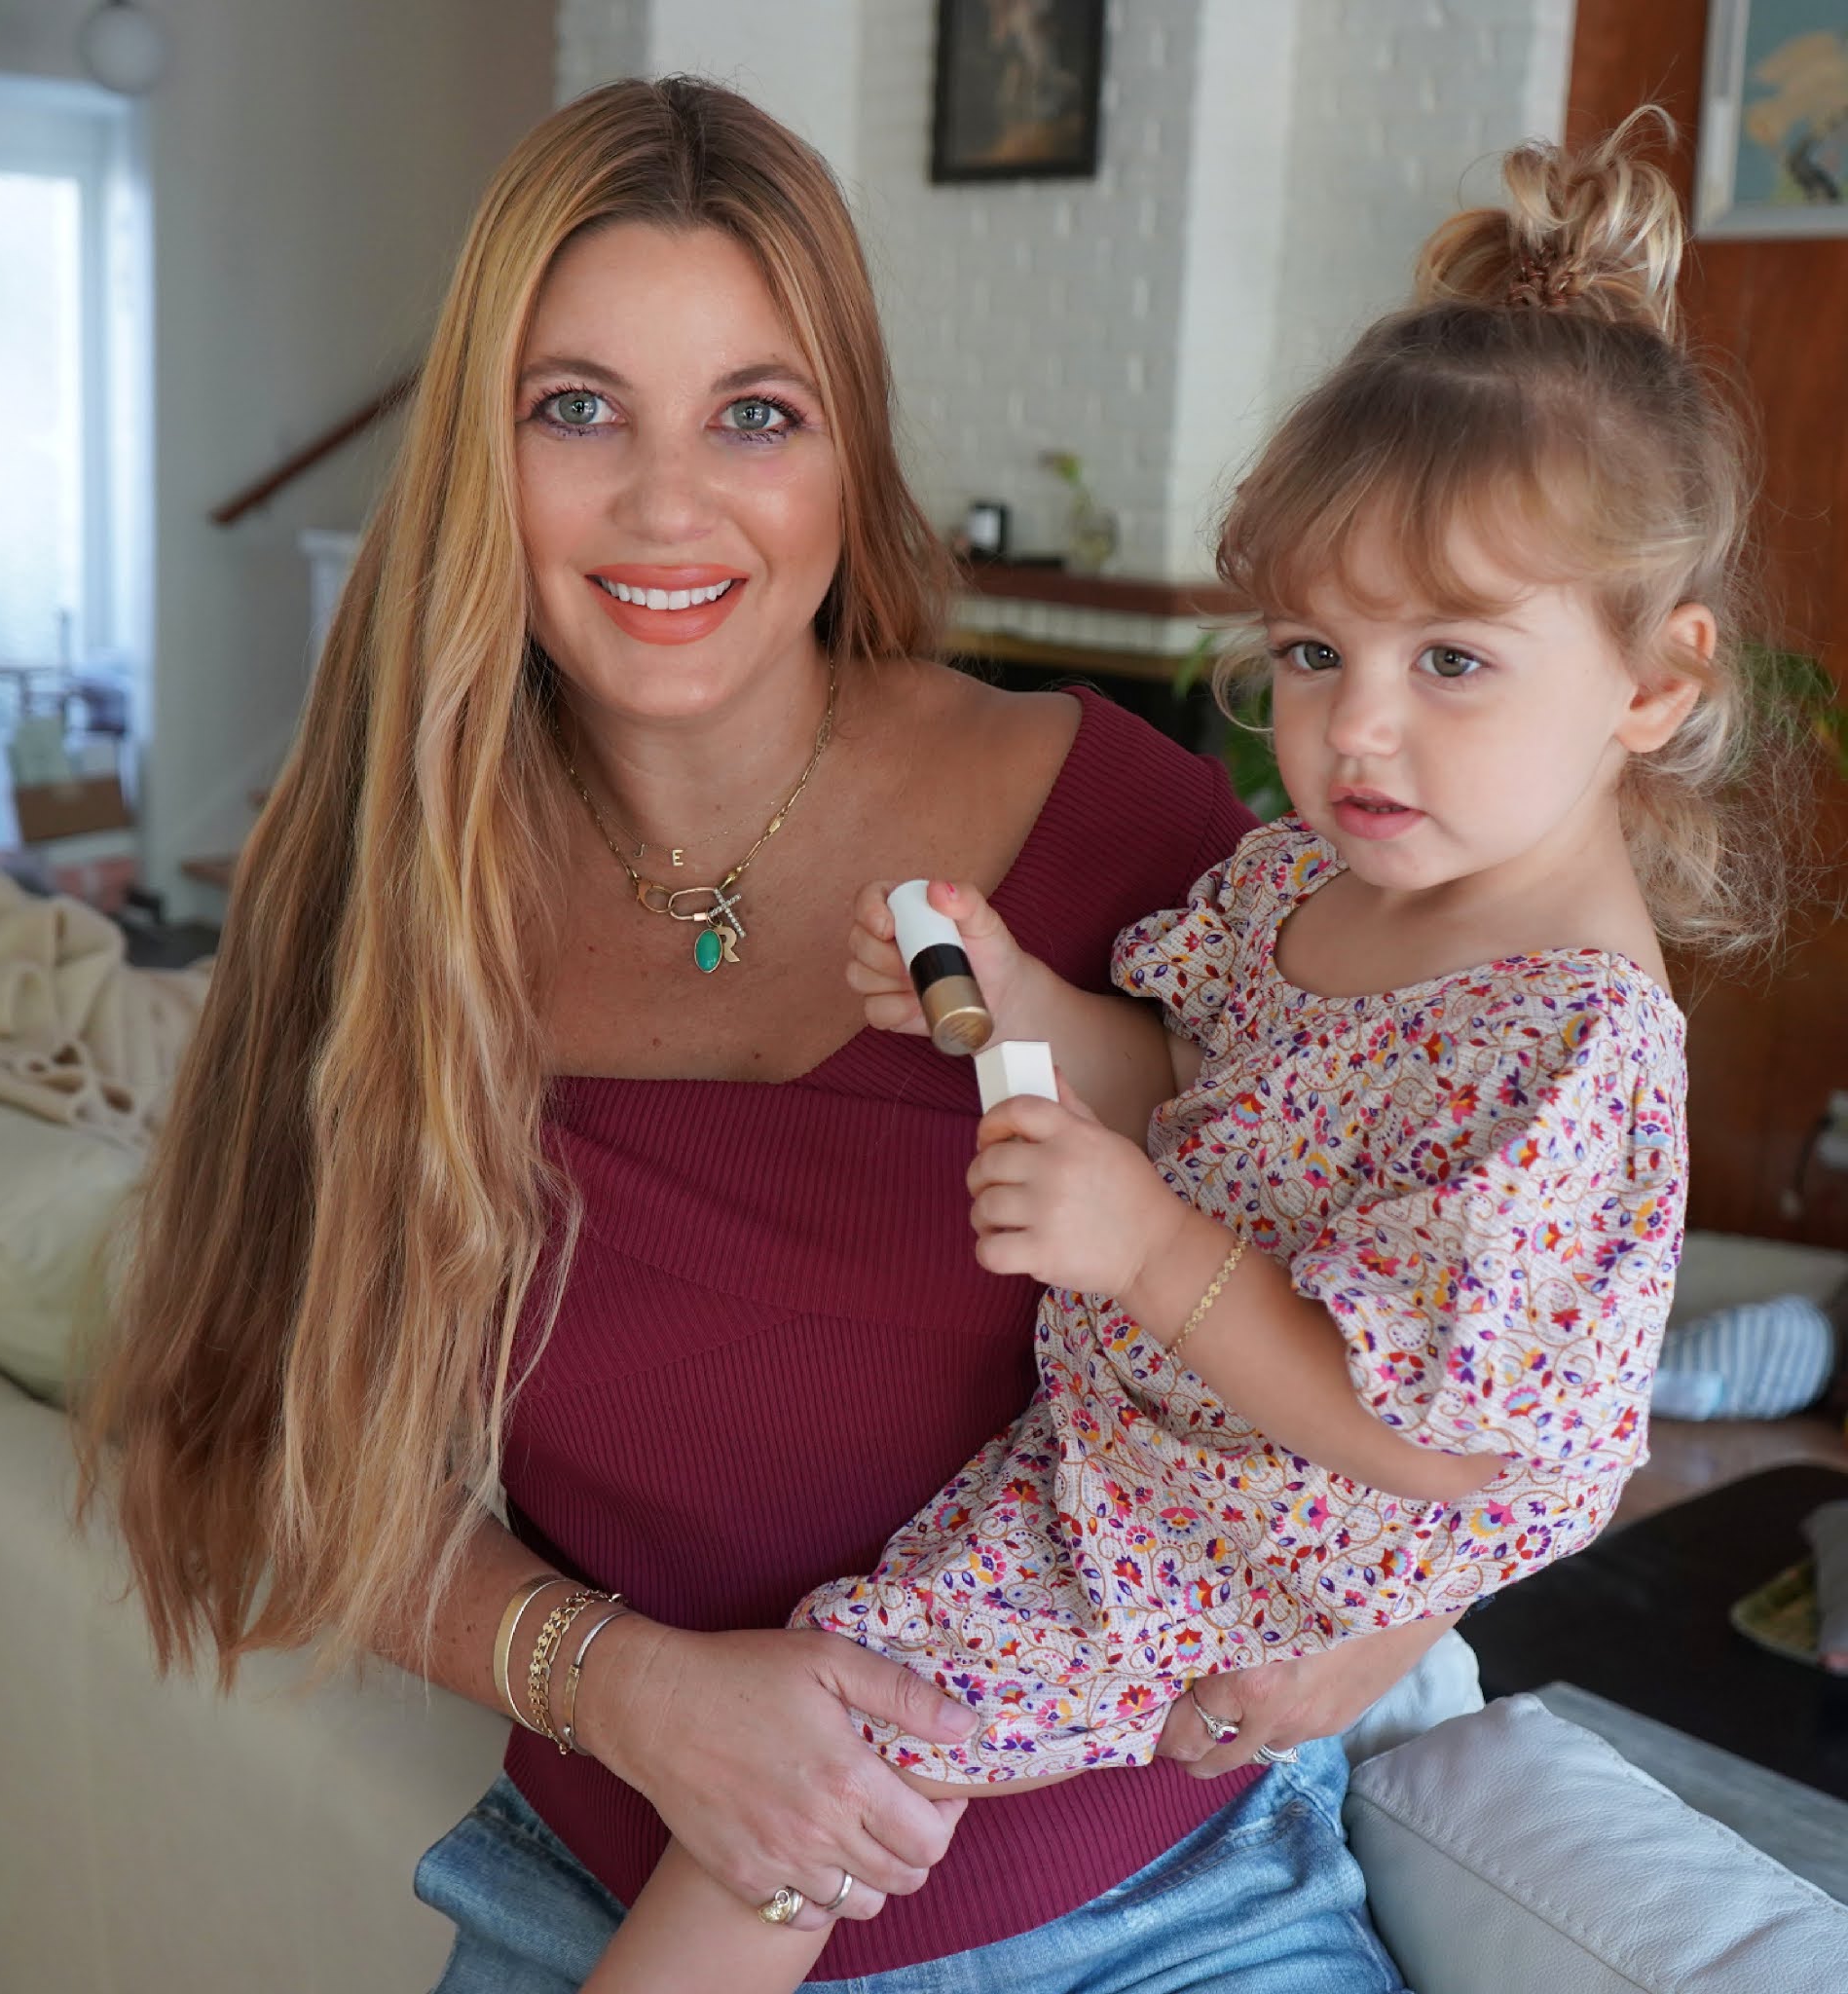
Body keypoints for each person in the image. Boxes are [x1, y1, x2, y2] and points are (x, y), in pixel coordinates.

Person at [72, 78, 1462, 1994]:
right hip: (619, 1910)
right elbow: (242, 1437)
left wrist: (1387, 1624)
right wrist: (623, 1689)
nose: (666, 501)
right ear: (483, 450)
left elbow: (1488, 1214)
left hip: (1165, 1916)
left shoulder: (1117, 824)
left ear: (844, 450)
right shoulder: (376, 898)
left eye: (754, 411)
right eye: (578, 408)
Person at [575, 112, 1798, 1992]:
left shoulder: (1565, 1041)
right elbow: (1219, 1090)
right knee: (831, 1731)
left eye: (1452, 662)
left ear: (1656, 682)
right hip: (1146, 1460)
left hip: (1249, 1536)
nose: (1359, 734)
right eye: (1314, 654)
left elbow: (1421, 1436)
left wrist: (1143, 1250)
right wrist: (1022, 1006)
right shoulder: (1321, 884)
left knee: (833, 1753)